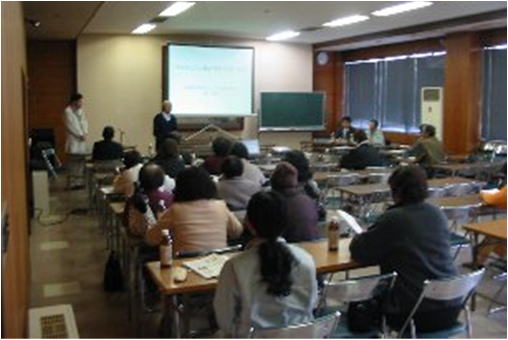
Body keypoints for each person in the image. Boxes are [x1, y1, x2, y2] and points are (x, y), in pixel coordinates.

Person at [349, 166, 460, 333]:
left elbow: (360, 252)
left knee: (364, 300)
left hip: (413, 313)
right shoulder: (437, 214)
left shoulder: (394, 218)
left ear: (396, 191)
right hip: (452, 307)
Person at [213, 191, 318, 338]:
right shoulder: (306, 260)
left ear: (248, 224)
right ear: (286, 222)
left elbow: (225, 321)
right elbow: (312, 305)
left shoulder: (234, 266)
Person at [145, 166, 243, 253]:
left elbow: (151, 239)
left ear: (180, 188)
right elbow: (237, 232)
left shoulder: (176, 210)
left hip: (184, 265)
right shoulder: (220, 206)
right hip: (217, 263)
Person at [271, 162, 320, 242]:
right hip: (313, 247)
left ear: (273, 181)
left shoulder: (272, 203)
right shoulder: (308, 200)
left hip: (288, 249)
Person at [126, 163, 174, 238]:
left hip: (141, 235)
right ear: (162, 179)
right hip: (167, 236)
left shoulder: (135, 197)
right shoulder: (169, 196)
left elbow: (126, 221)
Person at [64, 93, 88, 188]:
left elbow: (85, 122)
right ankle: (72, 183)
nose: (82, 103)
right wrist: (80, 135)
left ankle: (79, 182)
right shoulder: (67, 111)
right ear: (74, 101)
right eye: (80, 101)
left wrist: (85, 133)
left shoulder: (80, 111)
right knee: (73, 163)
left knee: (80, 163)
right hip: (73, 140)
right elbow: (71, 126)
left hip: (81, 140)